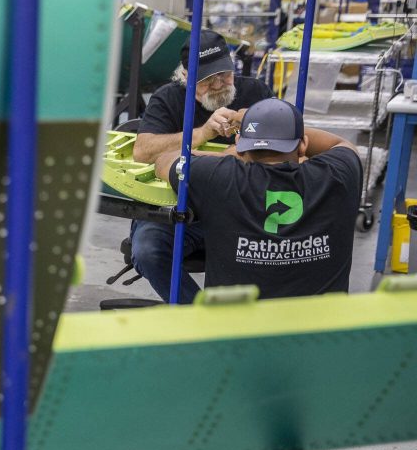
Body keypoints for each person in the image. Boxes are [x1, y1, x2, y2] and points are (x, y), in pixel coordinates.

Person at [152, 98, 362, 299]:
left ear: (239, 145)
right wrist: (276, 126)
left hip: (237, 331)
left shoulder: (216, 177)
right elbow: (340, 143)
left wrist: (228, 153)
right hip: (323, 333)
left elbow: (164, 160)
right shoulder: (338, 174)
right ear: (303, 145)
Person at [130, 29, 275, 303]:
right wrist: (203, 133)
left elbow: (284, 150)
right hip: (182, 210)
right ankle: (199, 318)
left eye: (224, 73)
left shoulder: (256, 92)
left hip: (241, 209)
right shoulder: (168, 99)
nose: (219, 83)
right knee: (148, 250)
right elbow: (142, 151)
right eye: (207, 79)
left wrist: (230, 150)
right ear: (185, 77)